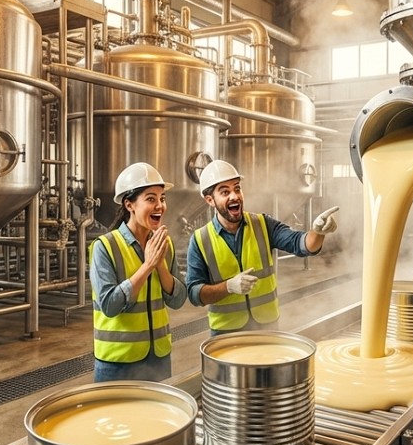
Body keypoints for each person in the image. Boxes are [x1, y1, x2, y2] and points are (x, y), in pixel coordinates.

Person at [185, 159, 340, 336]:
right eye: (225, 192)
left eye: (237, 188)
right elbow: (195, 294)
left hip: (268, 329)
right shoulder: (200, 240)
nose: (234, 196)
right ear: (210, 200)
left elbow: (301, 244)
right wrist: (228, 286)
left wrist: (318, 231)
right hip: (225, 335)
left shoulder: (262, 224)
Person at [88, 162, 186, 382]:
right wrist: (147, 266)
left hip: (158, 357)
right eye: (151, 199)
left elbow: (178, 299)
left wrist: (160, 265)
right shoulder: (104, 247)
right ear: (129, 204)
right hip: (117, 362)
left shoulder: (164, 244)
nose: (160, 205)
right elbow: (109, 305)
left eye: (162, 198)